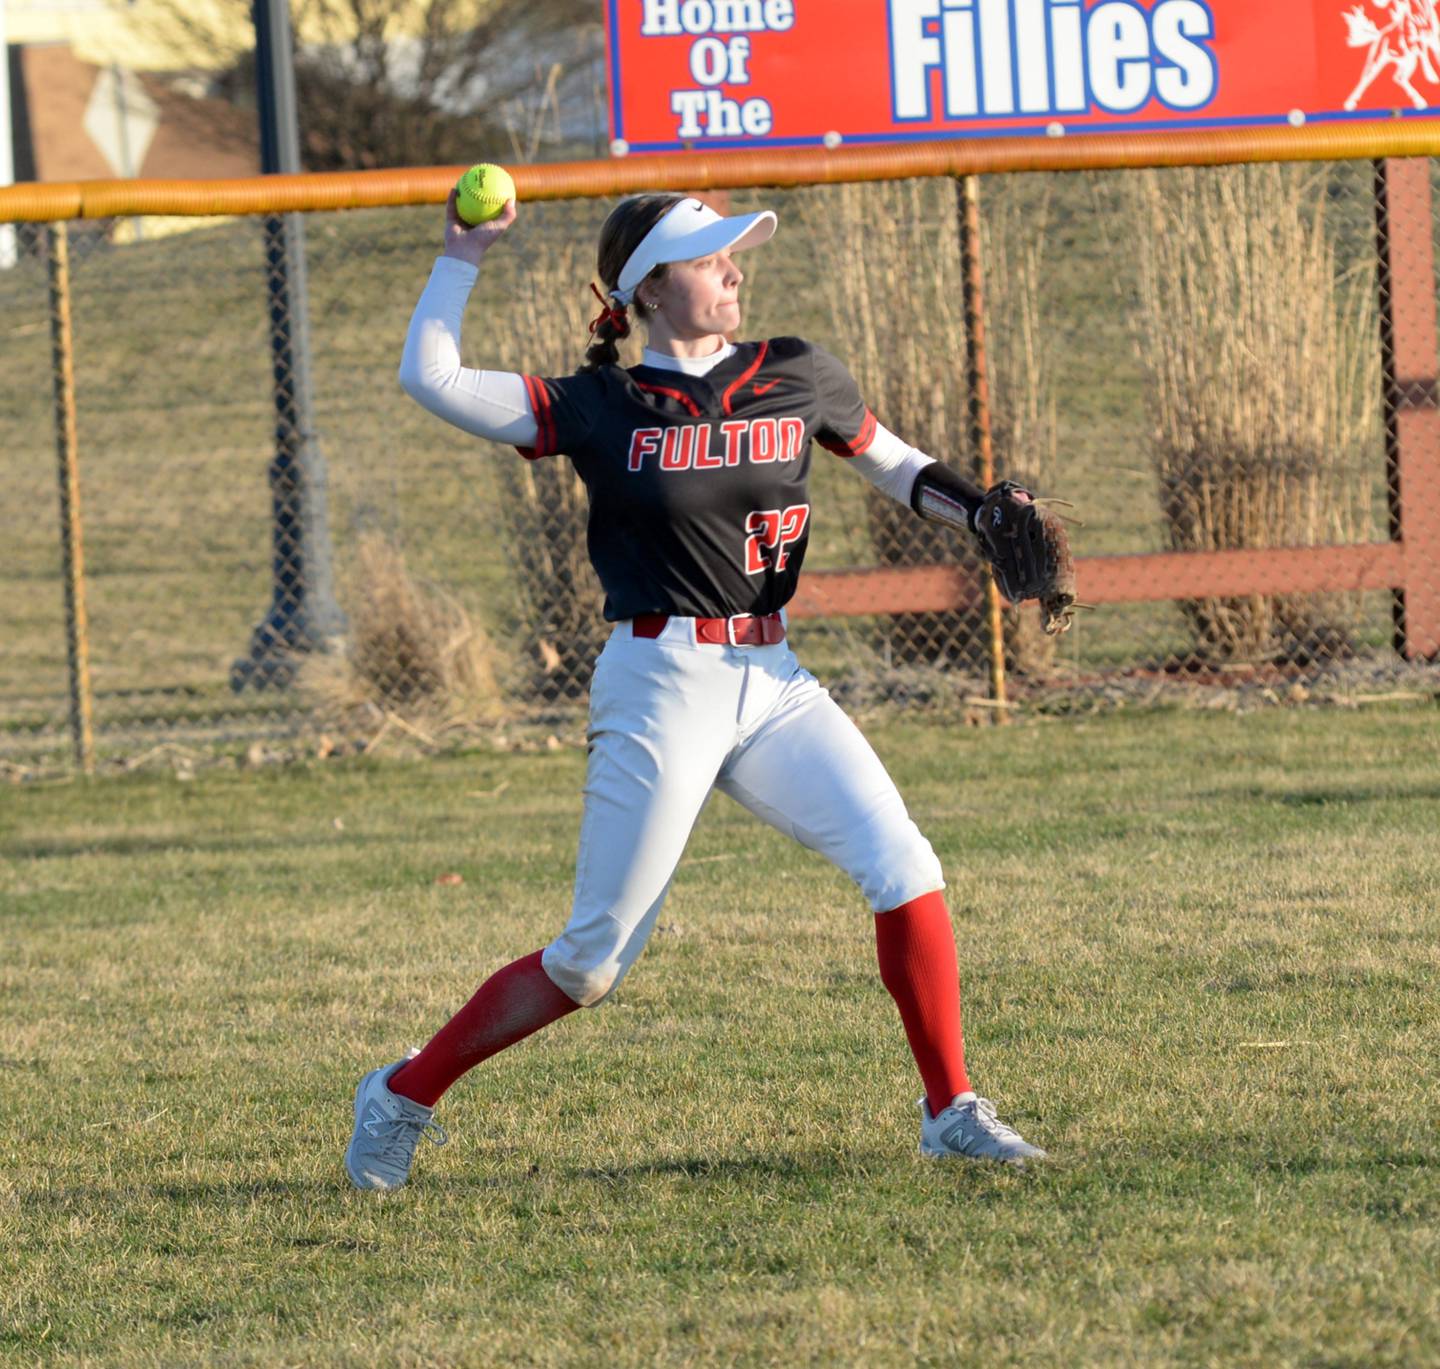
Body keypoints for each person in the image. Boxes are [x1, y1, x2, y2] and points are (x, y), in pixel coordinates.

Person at [344, 187, 1046, 1191]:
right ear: (649, 290)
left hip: (774, 676)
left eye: (731, 255)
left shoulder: (796, 371)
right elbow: (433, 376)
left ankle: (952, 1110)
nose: (733, 270)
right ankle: (405, 1091)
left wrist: (979, 512)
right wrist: (463, 255)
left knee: (906, 865)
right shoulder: (599, 405)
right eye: (709, 257)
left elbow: (895, 467)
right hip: (660, 679)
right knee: (589, 963)